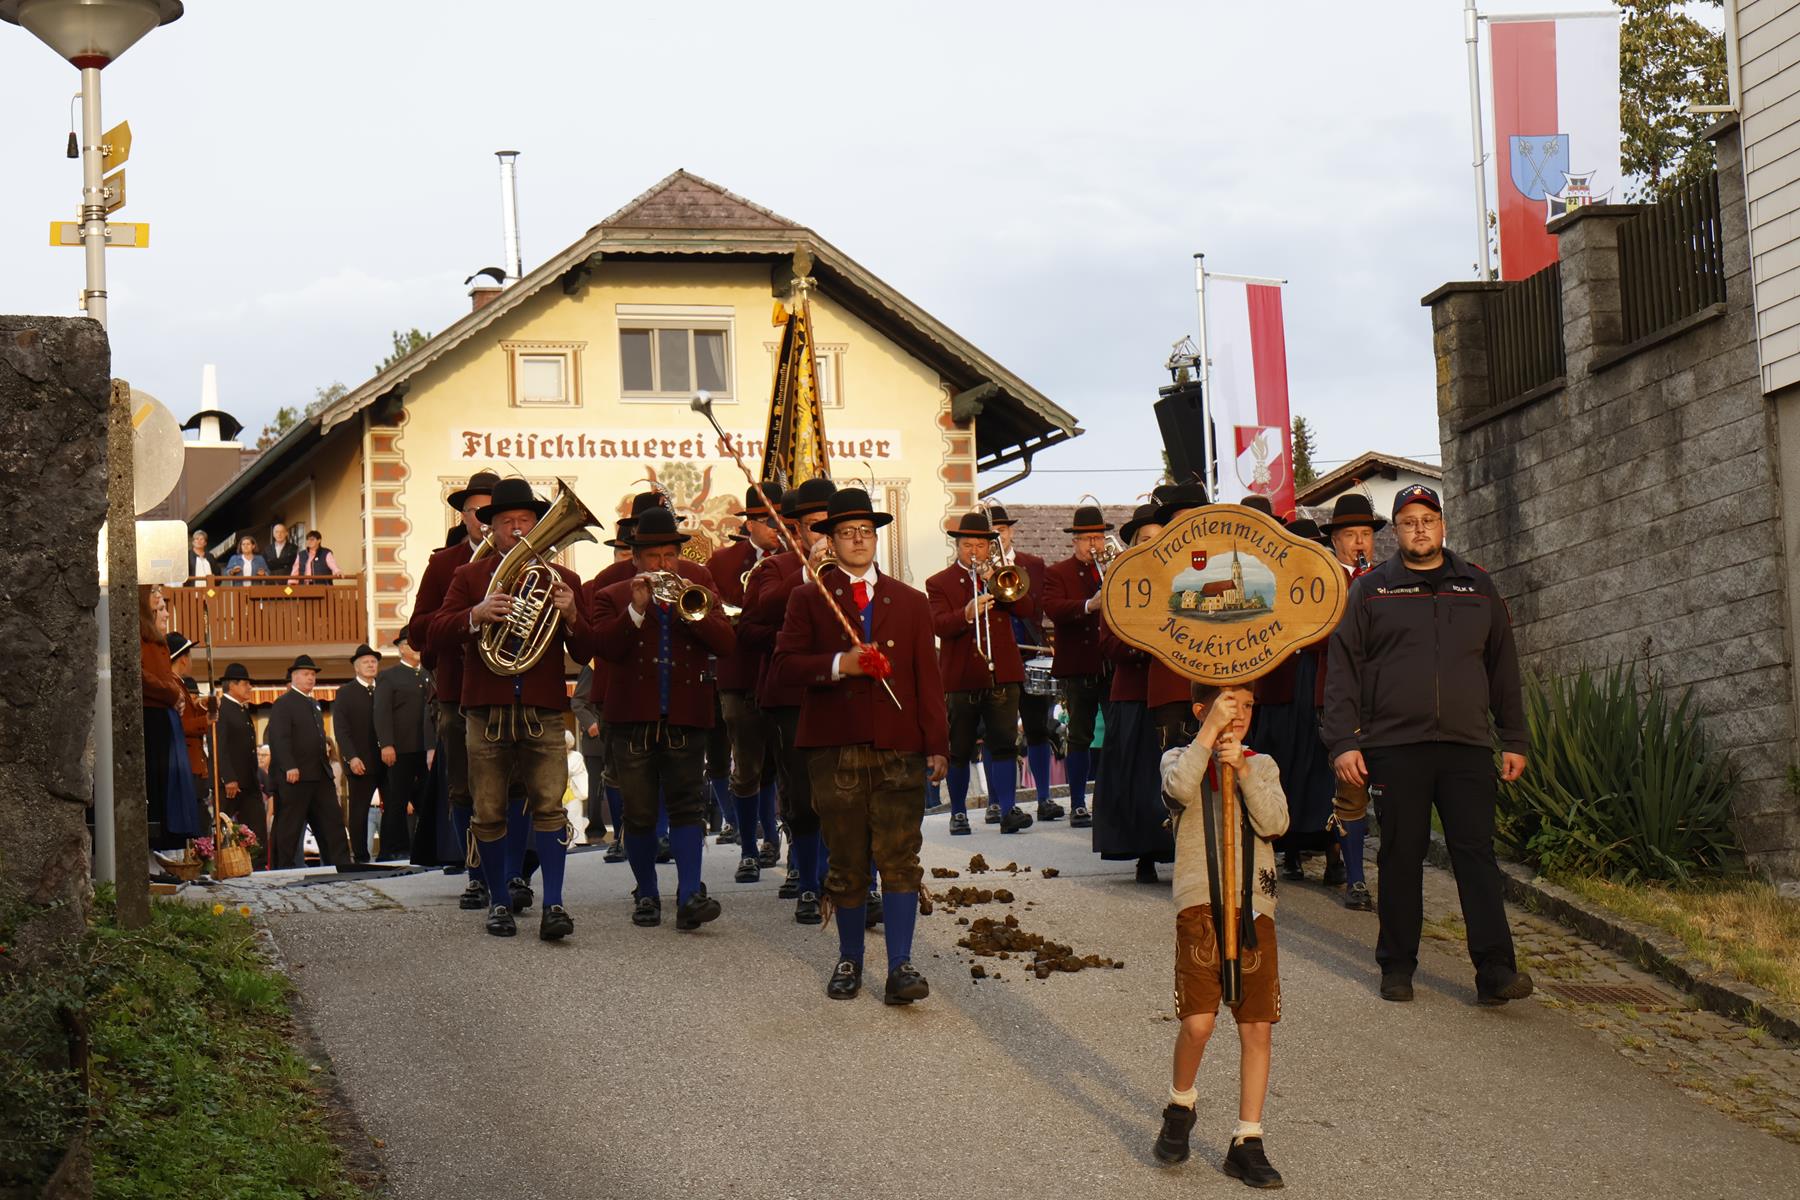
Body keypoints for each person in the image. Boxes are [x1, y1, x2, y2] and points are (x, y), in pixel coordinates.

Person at [1322, 483, 1535, 1006]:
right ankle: (1397, 966)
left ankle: (1495, 970)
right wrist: (1343, 742)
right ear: (1396, 532)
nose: (1419, 529)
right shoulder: (1371, 590)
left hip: (1467, 745)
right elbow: (1343, 670)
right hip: (1396, 746)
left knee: (1476, 856)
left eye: (1428, 520)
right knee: (1401, 855)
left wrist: (1513, 737)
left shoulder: (1478, 586)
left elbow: (1503, 668)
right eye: (1409, 522)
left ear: (1442, 526)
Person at [771, 486, 950, 1004]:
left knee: (900, 858)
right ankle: (849, 958)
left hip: (899, 748)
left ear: (876, 539)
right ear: (831, 540)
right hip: (836, 750)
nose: (858, 540)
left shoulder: (910, 601)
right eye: (847, 532)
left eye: (866, 532)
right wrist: (839, 664)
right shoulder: (810, 598)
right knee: (847, 860)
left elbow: (928, 678)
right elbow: (784, 667)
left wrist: (937, 743)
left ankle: (900, 966)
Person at [430, 477, 593, 940]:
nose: (516, 529)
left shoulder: (564, 580)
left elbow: (586, 650)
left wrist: (573, 615)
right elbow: (435, 631)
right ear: (491, 528)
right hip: (485, 709)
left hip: (543, 709)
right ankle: (499, 902)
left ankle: (554, 904)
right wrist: (475, 615)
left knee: (550, 807)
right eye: (506, 522)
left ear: (538, 526)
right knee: (487, 810)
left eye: (525, 521)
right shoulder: (470, 578)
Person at [1153, 682, 1287, 1187]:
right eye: (1229, 704)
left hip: (1254, 909)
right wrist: (1208, 736)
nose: (1240, 712)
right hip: (1200, 906)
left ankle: (1247, 1140)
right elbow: (1178, 791)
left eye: (1248, 705)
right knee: (1198, 1024)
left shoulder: (1263, 764)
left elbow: (1275, 823)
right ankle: (1180, 1105)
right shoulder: (1177, 757)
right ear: (1200, 709)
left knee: (1257, 1027)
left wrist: (1244, 772)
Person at [590, 505, 735, 931]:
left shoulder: (698, 582)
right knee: (638, 813)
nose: (663, 564)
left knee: (688, 806)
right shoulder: (611, 593)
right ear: (636, 558)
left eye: (670, 555)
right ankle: (647, 892)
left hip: (686, 714)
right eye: (653, 556)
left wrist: (693, 613)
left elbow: (726, 643)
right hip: (632, 719)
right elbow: (603, 648)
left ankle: (690, 894)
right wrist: (636, 611)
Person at [740, 478, 838, 917]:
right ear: (796, 529)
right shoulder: (774, 569)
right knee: (800, 794)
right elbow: (754, 620)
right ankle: (808, 881)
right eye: (817, 526)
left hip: (844, 691)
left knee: (848, 792)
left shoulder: (857, 569)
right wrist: (807, 573)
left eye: (833, 525)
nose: (827, 534)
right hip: (791, 696)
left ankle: (851, 881)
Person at [407, 469, 499, 906]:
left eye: (492, 512)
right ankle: (477, 873)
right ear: (463, 516)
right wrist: (466, 620)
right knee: (463, 787)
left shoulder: (531, 561)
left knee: (517, 786)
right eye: (475, 511)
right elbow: (417, 631)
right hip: (459, 691)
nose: (483, 519)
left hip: (513, 688)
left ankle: (513, 872)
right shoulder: (444, 564)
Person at [927, 509, 1032, 835]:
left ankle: (1008, 809)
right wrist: (966, 614)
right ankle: (958, 812)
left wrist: (995, 579)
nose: (974, 551)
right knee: (959, 749)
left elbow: (1027, 609)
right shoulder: (939, 582)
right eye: (967, 545)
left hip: (1002, 673)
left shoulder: (1001, 576)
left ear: (990, 548)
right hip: (961, 677)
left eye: (980, 546)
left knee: (1004, 745)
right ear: (957, 546)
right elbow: (938, 625)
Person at [704, 483, 786, 852]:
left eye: (782, 519)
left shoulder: (796, 558)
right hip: (739, 672)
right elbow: (710, 610)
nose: (778, 526)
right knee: (748, 765)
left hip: (782, 671)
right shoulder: (722, 562)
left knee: (782, 765)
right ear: (750, 523)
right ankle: (749, 848)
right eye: (770, 520)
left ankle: (775, 840)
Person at [1094, 503, 1173, 883]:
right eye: (1144, 539)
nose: (1151, 545)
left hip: (1171, 693)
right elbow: (1109, 643)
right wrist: (1147, 645)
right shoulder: (1117, 583)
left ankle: (1176, 848)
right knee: (1136, 776)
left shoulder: (1181, 579)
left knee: (1170, 775)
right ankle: (1144, 854)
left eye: (1159, 538)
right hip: (1133, 693)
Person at [1317, 498, 1383, 910]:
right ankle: (1355, 878)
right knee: (1350, 790)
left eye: (1366, 535)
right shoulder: (1322, 582)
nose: (1360, 542)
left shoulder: (1389, 578)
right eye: (1350, 535)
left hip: (1389, 698)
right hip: (1345, 696)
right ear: (1336, 541)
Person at [987, 504, 1063, 822]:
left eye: (1001, 531)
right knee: (996, 733)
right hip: (996, 658)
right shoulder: (977, 568)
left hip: (1030, 652)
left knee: (1038, 728)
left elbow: (1036, 608)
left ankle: (1044, 798)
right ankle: (995, 803)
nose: (997, 537)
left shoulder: (1032, 564)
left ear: (1011, 532)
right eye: (991, 533)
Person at [1041, 504, 1114, 826]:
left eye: (1098, 538)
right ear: (1075, 542)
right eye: (1086, 539)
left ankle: (1114, 800)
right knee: (1080, 736)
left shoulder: (1115, 568)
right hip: (1078, 665)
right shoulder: (1058, 572)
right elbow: (1053, 608)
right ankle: (1078, 803)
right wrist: (1088, 605)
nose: (1093, 545)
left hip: (1112, 663)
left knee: (1118, 734)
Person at [264, 654, 352, 870]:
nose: (311, 678)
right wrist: (289, 765)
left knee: (332, 823)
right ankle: (281, 868)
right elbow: (279, 738)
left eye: (313, 674)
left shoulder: (313, 703)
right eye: (306, 674)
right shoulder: (283, 703)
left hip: (320, 774)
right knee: (289, 827)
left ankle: (339, 865)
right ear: (294, 676)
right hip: (296, 776)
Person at [140, 586, 201, 862]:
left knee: (167, 791)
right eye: (160, 606)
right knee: (157, 788)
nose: (165, 612)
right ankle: (153, 856)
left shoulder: (157, 641)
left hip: (162, 716)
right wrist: (171, 692)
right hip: (151, 716)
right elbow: (138, 673)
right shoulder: (140, 635)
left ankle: (165, 855)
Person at [374, 632, 431, 861]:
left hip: (426, 748)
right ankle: (393, 850)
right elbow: (382, 712)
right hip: (400, 748)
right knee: (397, 801)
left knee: (427, 801)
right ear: (401, 648)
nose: (417, 648)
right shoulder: (389, 676)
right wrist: (386, 744)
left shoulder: (428, 674)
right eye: (411, 644)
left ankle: (426, 849)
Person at [214, 662, 267, 868]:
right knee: (222, 825)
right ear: (232, 685)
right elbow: (219, 746)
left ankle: (258, 866)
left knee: (257, 827)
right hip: (231, 782)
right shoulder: (222, 709)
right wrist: (228, 777)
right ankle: (218, 864)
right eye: (245, 684)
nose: (249, 688)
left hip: (249, 781)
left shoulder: (242, 710)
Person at [334, 644, 383, 863]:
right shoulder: (346, 693)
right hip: (360, 762)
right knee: (359, 811)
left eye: (374, 662)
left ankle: (390, 852)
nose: (371, 665)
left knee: (393, 808)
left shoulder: (384, 688)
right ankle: (361, 855)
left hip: (386, 760)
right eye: (366, 662)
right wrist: (351, 757)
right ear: (356, 667)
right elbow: (341, 730)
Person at [167, 632, 214, 820]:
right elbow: (179, 725)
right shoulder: (173, 684)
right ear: (183, 659)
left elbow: (187, 714)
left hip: (192, 762)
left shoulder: (178, 683)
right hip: (186, 761)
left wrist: (201, 706)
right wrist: (205, 721)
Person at [572, 663, 607, 845]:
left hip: (618, 736)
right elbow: (578, 702)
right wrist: (591, 724)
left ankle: (624, 830)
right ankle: (595, 830)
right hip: (597, 741)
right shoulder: (593, 665)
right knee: (596, 788)